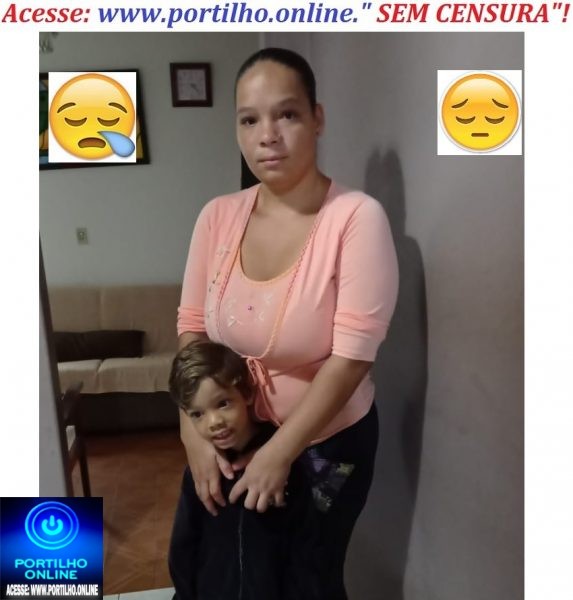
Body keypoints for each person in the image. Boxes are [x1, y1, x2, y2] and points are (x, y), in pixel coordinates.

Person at [172, 46, 399, 599]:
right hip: (233, 431)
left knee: (305, 582)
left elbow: (351, 359)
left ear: (317, 118)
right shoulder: (217, 216)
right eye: (249, 120)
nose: (267, 136)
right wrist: (190, 431)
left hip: (324, 442)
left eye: (287, 114)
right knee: (225, 573)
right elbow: (192, 329)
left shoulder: (355, 218)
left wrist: (280, 451)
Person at [168, 339, 320, 600]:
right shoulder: (200, 473)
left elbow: (305, 550)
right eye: (198, 414)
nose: (214, 422)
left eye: (223, 404)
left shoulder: (285, 468)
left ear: (247, 394)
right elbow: (183, 546)